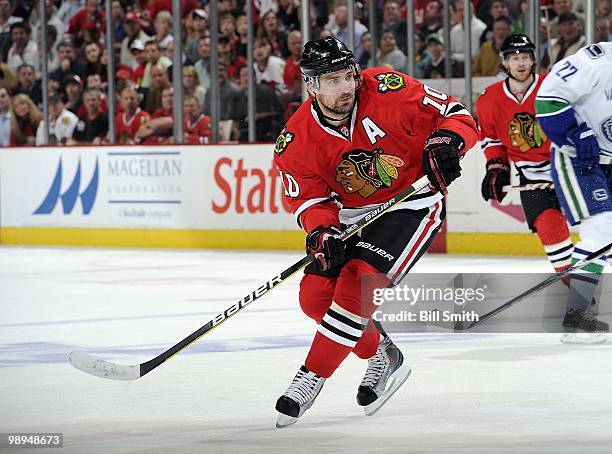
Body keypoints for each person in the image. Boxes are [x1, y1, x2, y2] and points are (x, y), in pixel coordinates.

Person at [272, 37, 478, 426]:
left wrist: (447, 140)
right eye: (332, 81)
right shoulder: (295, 140)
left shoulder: (388, 90)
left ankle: (310, 376)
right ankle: (383, 353)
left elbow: (458, 116)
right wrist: (321, 233)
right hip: (353, 217)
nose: (346, 87)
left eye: (348, 75)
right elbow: (309, 202)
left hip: (412, 204)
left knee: (359, 281)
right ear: (311, 85)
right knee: (314, 297)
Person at [476, 35, 574, 284]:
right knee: (550, 231)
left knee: (600, 225)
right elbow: (492, 140)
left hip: (569, 168)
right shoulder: (489, 99)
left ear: (533, 60)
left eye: (525, 58)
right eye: (514, 58)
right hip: (531, 176)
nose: (520, 64)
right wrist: (497, 168)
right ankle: (577, 287)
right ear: (505, 62)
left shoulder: (554, 88)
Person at [535, 42, 612, 343]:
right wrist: (574, 131)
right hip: (581, 158)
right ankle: (577, 315)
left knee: (605, 237)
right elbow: (548, 100)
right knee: (601, 230)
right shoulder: (596, 61)